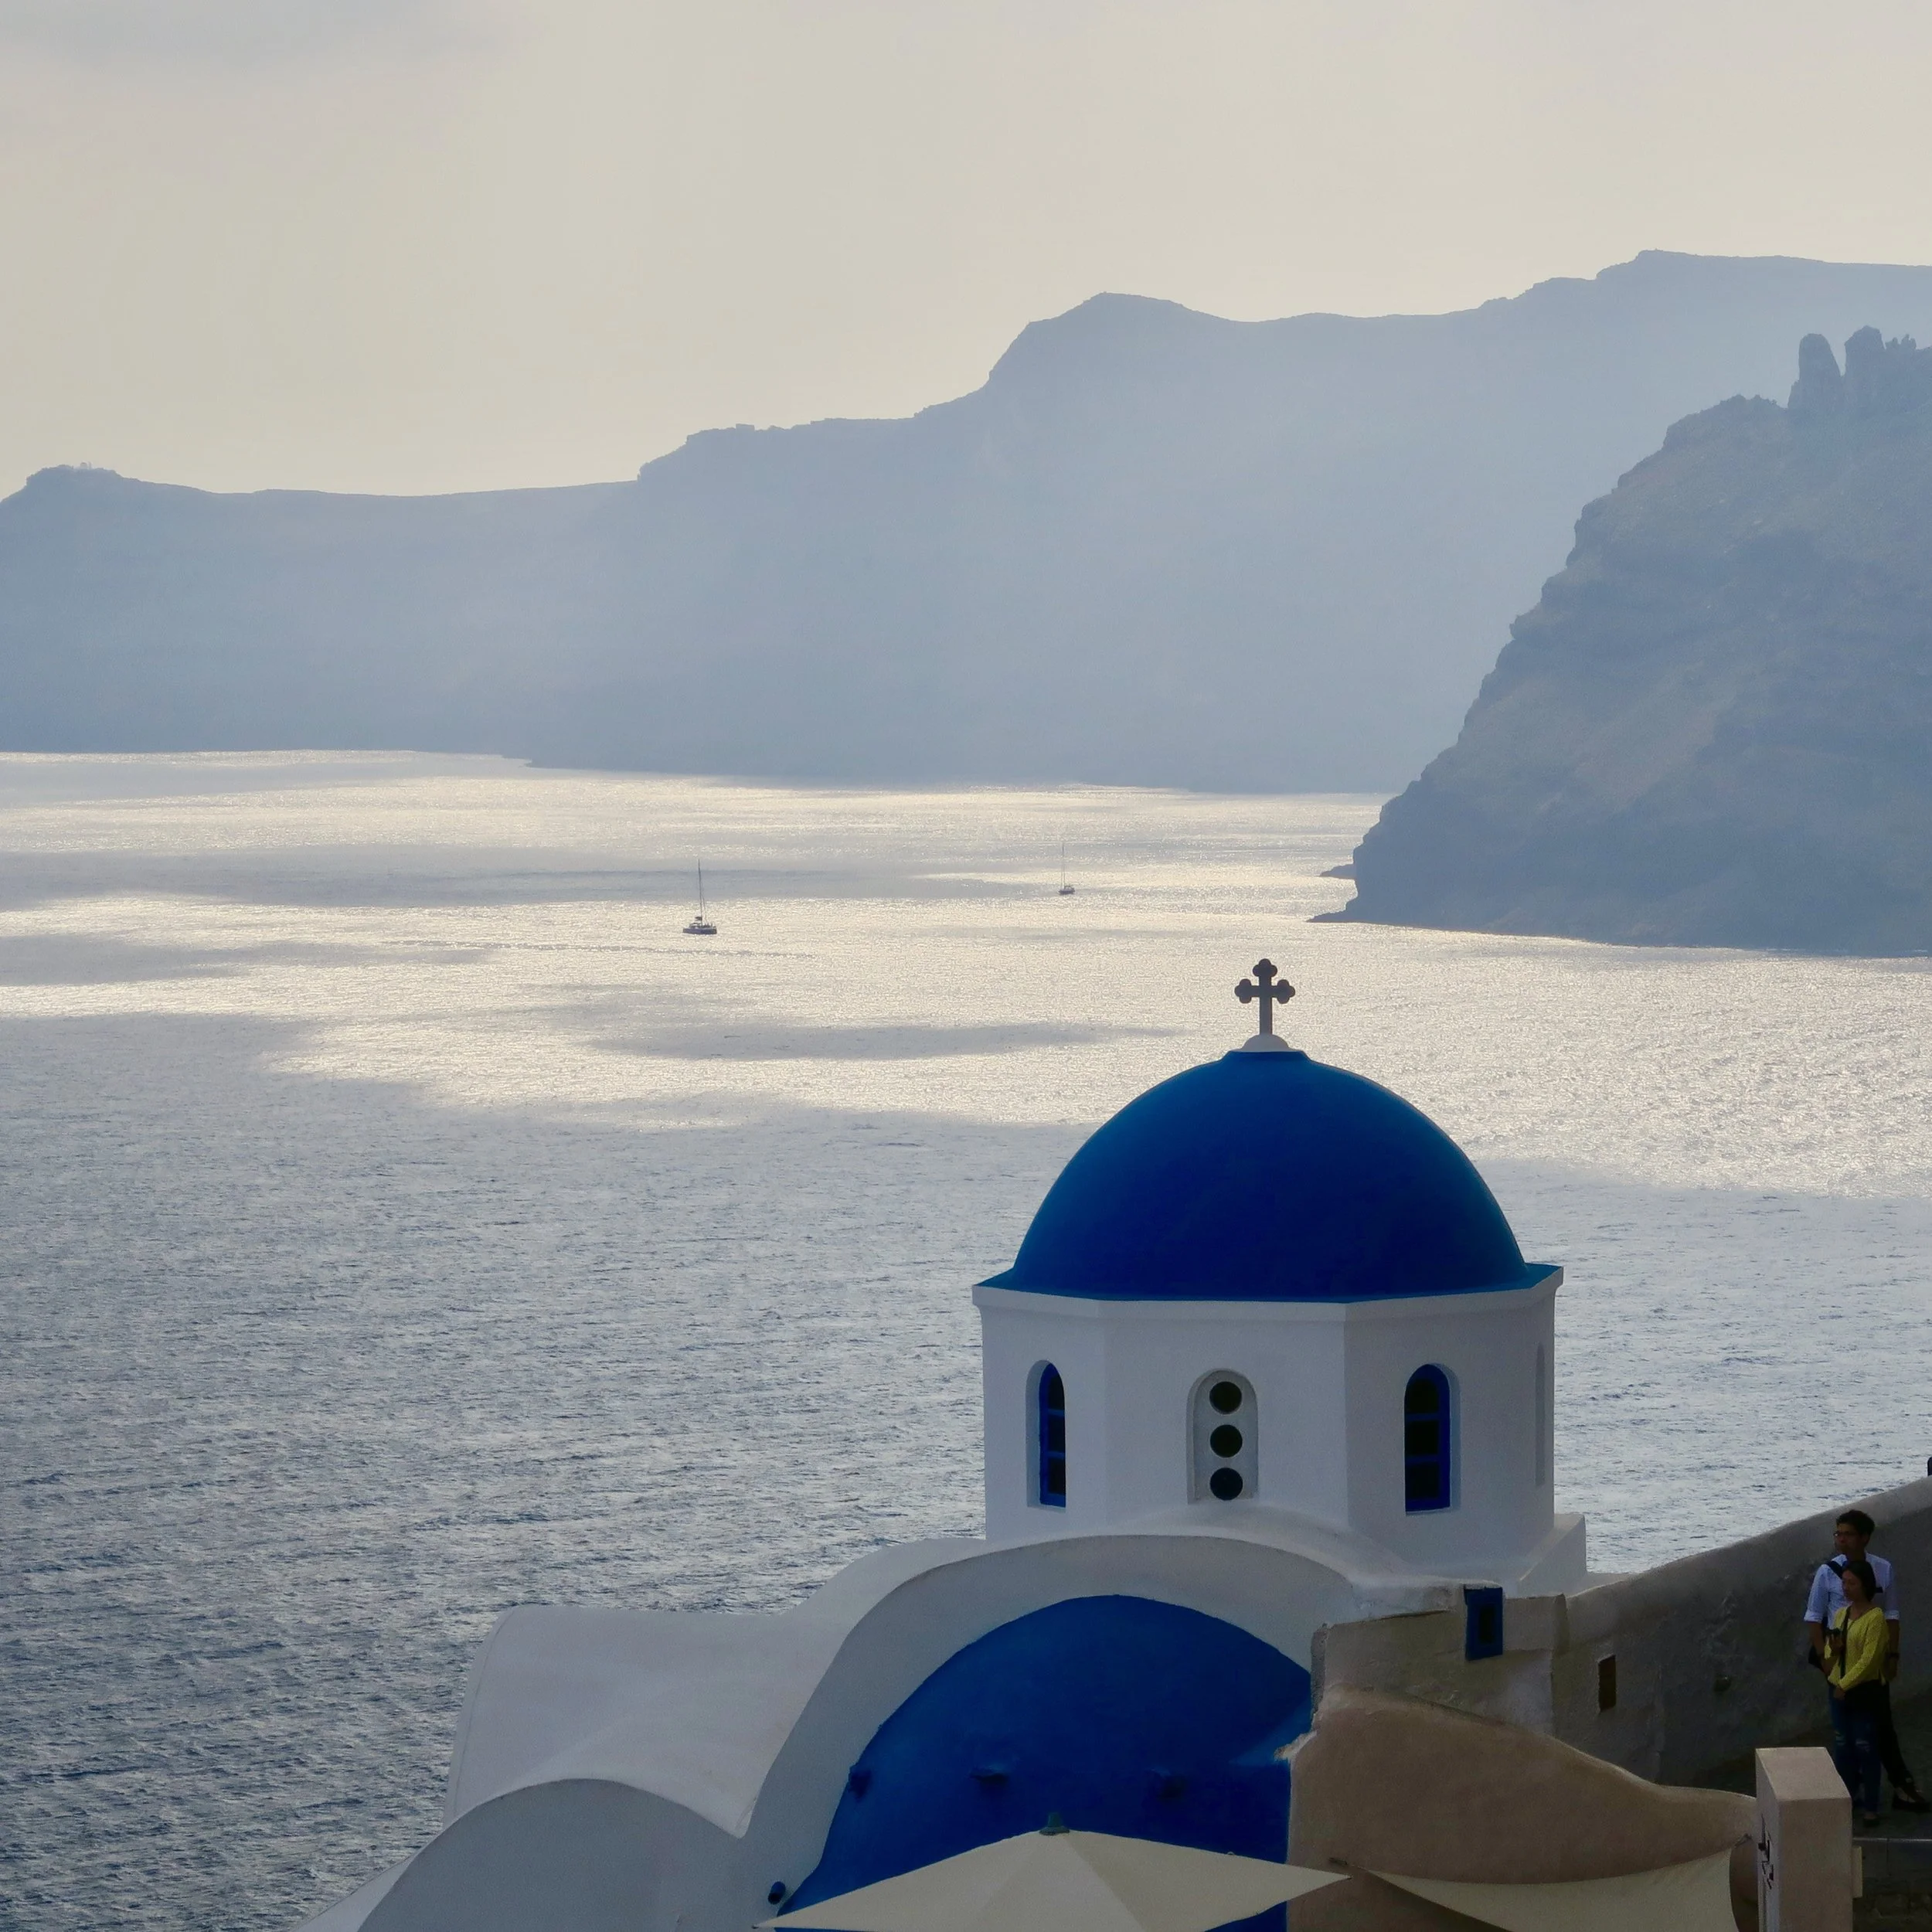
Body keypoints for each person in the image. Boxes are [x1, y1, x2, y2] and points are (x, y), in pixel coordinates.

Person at [1804, 1509, 1931, 1811]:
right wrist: (1825, 1660)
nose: (1841, 1540)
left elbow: (1891, 1615)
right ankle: (1852, 1790)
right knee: (1845, 1732)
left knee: (1878, 1724)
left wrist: (1892, 1656)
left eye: (1847, 1534)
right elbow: (1814, 1618)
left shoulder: (1883, 1569)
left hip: (1872, 1660)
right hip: (1839, 1660)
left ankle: (1892, 1786)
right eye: (1838, 1534)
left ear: (1864, 1538)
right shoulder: (1827, 1573)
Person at [1828, 1559, 1890, 1824]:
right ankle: (1847, 1797)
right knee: (1843, 1745)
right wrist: (1835, 1649)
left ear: (1865, 1585)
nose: (1846, 1588)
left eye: (1851, 1583)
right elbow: (1831, 1652)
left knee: (1865, 1746)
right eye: (1844, 1582)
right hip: (1839, 1689)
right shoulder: (1841, 1615)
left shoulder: (1875, 1619)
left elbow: (1869, 1660)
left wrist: (1845, 1685)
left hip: (1861, 1692)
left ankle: (1871, 1805)